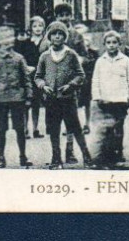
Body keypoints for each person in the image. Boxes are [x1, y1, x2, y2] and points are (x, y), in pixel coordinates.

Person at [34, 21, 93, 169]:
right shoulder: (44, 56)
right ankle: (56, 158)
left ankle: (86, 156)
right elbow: (37, 76)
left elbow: (81, 75)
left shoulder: (71, 54)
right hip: (52, 100)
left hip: (68, 99)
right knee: (54, 129)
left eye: (61, 34)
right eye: (54, 34)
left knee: (75, 128)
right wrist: (43, 85)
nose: (57, 37)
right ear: (49, 37)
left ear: (64, 37)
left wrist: (71, 85)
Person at [0, 26, 33, 169]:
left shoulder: (19, 58)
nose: (7, 41)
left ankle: (23, 156)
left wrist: (28, 96)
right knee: (1, 130)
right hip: (1, 99)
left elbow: (26, 78)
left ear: (14, 40)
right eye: (3, 38)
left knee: (20, 129)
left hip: (18, 99)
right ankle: (0, 157)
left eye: (10, 37)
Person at [91, 30, 129, 168]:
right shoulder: (100, 61)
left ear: (119, 44)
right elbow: (96, 80)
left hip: (120, 99)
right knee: (106, 128)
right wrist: (97, 97)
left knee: (119, 127)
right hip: (105, 99)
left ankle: (119, 152)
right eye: (108, 43)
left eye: (114, 42)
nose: (111, 45)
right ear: (104, 45)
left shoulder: (125, 60)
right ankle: (106, 155)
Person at [15, 14, 46, 138]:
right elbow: (21, 57)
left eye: (40, 26)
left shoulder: (46, 42)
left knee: (36, 103)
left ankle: (36, 128)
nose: (37, 28)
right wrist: (25, 68)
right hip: (27, 75)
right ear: (31, 28)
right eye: (35, 26)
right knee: (26, 103)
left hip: (38, 74)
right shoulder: (26, 43)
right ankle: (25, 129)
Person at [73, 24, 98, 134]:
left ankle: (87, 124)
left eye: (85, 35)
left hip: (88, 80)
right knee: (73, 103)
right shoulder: (73, 52)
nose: (83, 39)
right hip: (74, 80)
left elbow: (96, 66)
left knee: (87, 102)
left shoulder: (93, 52)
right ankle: (72, 125)